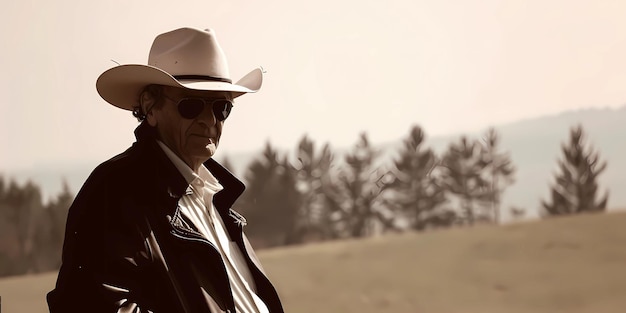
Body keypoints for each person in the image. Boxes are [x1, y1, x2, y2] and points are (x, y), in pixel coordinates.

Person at [47, 27, 284, 313]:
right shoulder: (115, 191)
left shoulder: (214, 196)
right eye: (192, 105)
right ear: (151, 107)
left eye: (222, 107)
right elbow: (88, 304)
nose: (209, 120)